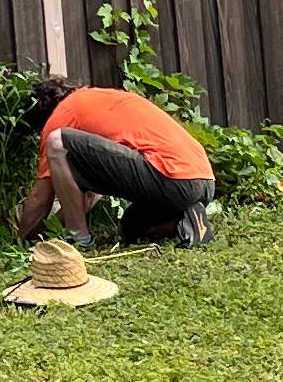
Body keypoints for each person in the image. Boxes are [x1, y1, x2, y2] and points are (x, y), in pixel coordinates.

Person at [15, 69, 216, 249]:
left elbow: (40, 199)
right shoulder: (106, 98)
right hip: (204, 181)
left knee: (57, 142)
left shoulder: (61, 115)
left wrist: (22, 241)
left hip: (172, 178)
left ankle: (79, 239)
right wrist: (51, 232)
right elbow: (88, 196)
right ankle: (183, 216)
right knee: (130, 228)